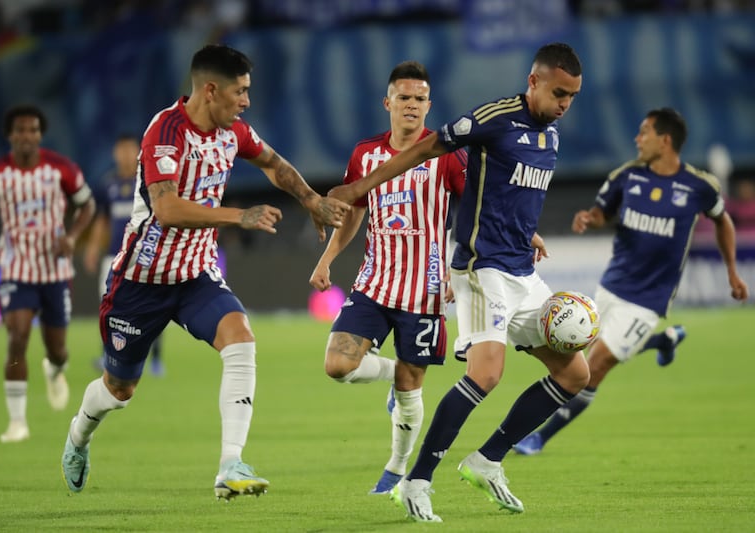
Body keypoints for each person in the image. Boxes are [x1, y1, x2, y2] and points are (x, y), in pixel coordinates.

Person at [60, 44, 350, 499]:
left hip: (195, 275)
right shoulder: (165, 131)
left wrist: (311, 199)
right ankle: (79, 434)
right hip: (141, 281)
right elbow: (168, 209)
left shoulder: (233, 132)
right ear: (210, 90)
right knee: (120, 389)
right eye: (241, 91)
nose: (246, 101)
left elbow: (273, 164)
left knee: (241, 339)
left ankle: (230, 464)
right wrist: (239, 216)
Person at [329, 42, 586, 522]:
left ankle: (487, 461)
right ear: (534, 82)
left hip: (522, 272)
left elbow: (510, 193)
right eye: (559, 93)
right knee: (486, 374)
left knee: (575, 374)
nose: (564, 104)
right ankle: (416, 481)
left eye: (572, 96)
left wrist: (525, 231)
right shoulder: (495, 117)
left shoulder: (550, 136)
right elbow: (428, 147)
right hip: (480, 267)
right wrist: (360, 188)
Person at [513, 108, 749, 455]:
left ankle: (540, 437)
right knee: (586, 354)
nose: (638, 139)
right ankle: (663, 341)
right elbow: (601, 213)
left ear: (665, 140)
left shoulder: (698, 186)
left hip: (650, 298)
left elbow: (722, 221)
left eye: (644, 132)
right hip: (612, 285)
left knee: (596, 366)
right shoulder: (627, 177)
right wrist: (588, 220)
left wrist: (731, 270)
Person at [309, 61, 466, 495]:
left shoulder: (447, 153)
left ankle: (397, 468)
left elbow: (477, 207)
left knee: (412, 388)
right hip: (375, 283)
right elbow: (353, 212)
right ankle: (393, 373)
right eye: (404, 98)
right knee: (337, 366)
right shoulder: (365, 154)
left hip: (426, 291)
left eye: (419, 99)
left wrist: (461, 268)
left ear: (428, 104)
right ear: (388, 102)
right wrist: (327, 260)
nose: (412, 106)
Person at [0, 104, 96, 443]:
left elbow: (88, 204)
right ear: (10, 135)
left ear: (40, 134)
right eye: (20, 130)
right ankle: (17, 422)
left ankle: (54, 370)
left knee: (58, 349)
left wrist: (71, 237)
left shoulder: (61, 169)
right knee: (18, 336)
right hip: (15, 268)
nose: (26, 136)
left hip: (54, 271)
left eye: (32, 130)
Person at [84, 134, 165, 376]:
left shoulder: (150, 182)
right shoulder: (107, 185)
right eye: (121, 150)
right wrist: (92, 247)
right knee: (109, 305)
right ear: (115, 154)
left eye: (130, 150)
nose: (126, 155)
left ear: (139, 152)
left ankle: (156, 359)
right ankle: (107, 355)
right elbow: (102, 219)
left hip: (144, 256)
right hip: (114, 257)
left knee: (152, 307)